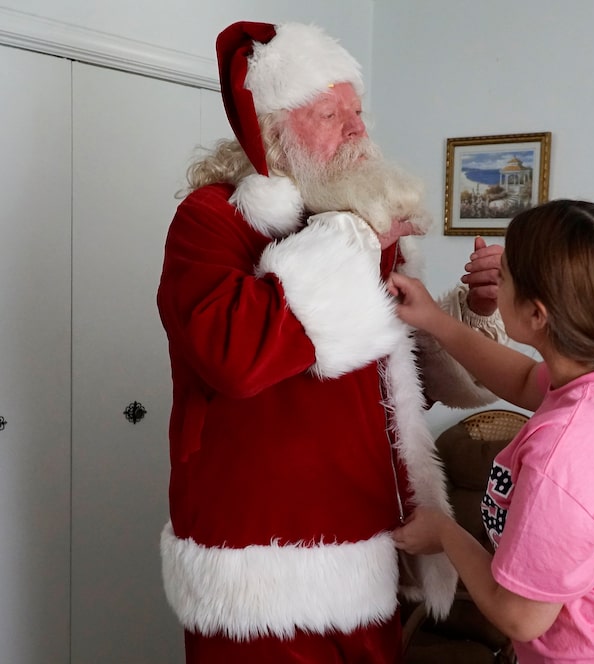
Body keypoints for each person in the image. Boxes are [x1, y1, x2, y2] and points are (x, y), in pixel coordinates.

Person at [156, 20, 506, 664]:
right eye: (329, 112)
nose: (357, 128)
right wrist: (352, 239)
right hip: (260, 560)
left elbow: (409, 378)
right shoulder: (210, 221)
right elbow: (235, 357)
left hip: (370, 539)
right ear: (272, 135)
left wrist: (473, 309)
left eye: (358, 111)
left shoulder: (361, 226)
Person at [389, 199, 594, 663]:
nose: (495, 278)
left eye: (505, 274)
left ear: (537, 315)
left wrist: (445, 533)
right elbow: (528, 381)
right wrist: (434, 319)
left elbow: (521, 617)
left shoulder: (562, 456)